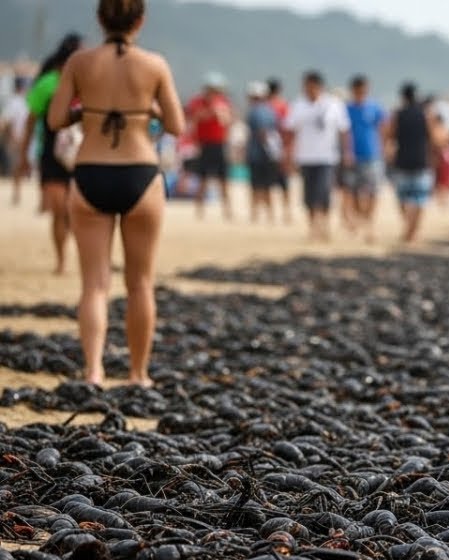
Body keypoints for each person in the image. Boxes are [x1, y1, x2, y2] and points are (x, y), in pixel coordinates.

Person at [48, 0, 183, 386]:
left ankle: (93, 370)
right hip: (140, 174)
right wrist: (146, 110)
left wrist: (86, 112)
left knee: (94, 284)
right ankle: (138, 374)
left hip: (91, 171)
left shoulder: (79, 62)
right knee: (140, 283)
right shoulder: (154, 64)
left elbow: (56, 119)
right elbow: (176, 124)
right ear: (140, 20)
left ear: (99, 19)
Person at [19, 33, 82, 274]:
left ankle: (81, 258)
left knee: (73, 211)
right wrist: (24, 155)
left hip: (81, 153)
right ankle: (61, 261)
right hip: (52, 153)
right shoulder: (47, 84)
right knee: (60, 210)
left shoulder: (86, 82)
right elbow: (30, 120)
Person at [282, 71, 351, 241]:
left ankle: (324, 225)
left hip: (327, 157)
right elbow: (290, 131)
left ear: (319, 86)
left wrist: (347, 152)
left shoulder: (333, 104)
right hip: (305, 157)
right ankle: (313, 226)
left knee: (324, 192)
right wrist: (288, 154)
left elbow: (344, 131)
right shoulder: (298, 105)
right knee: (309, 195)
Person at [384, 82, 445, 245]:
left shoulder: (398, 115)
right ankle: (413, 230)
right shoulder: (426, 115)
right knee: (420, 199)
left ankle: (409, 228)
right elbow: (436, 140)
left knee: (403, 198)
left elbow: (388, 136)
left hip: (402, 160)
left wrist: (389, 152)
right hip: (421, 160)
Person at [343, 75, 386, 243]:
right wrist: (347, 151)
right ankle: (359, 219)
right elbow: (344, 132)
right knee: (352, 191)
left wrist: (384, 147)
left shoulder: (375, 108)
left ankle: (369, 222)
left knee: (373, 191)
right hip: (353, 156)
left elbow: (383, 128)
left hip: (372, 155)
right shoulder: (346, 109)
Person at [185, 72, 233, 220]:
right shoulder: (197, 102)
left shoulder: (223, 102)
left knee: (223, 179)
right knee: (203, 178)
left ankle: (227, 210)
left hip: (219, 144)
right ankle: (199, 210)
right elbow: (193, 119)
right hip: (204, 145)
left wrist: (220, 114)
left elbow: (227, 121)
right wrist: (210, 112)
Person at [244, 81, 283, 224]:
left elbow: (262, 132)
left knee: (256, 185)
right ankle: (270, 214)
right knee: (267, 185)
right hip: (270, 154)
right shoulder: (271, 111)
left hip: (257, 154)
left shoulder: (255, 112)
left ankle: (255, 214)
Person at [265, 77, 292, 222]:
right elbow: (288, 129)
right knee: (284, 183)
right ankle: (286, 212)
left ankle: (272, 213)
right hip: (281, 147)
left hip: (267, 149)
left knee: (268, 183)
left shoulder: (265, 106)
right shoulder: (284, 106)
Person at [2, 76, 30, 205]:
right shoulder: (21, 102)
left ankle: (17, 193)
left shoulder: (16, 102)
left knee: (18, 167)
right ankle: (17, 193)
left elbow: (6, 123)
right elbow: (7, 123)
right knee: (18, 166)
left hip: (20, 138)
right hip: (21, 138)